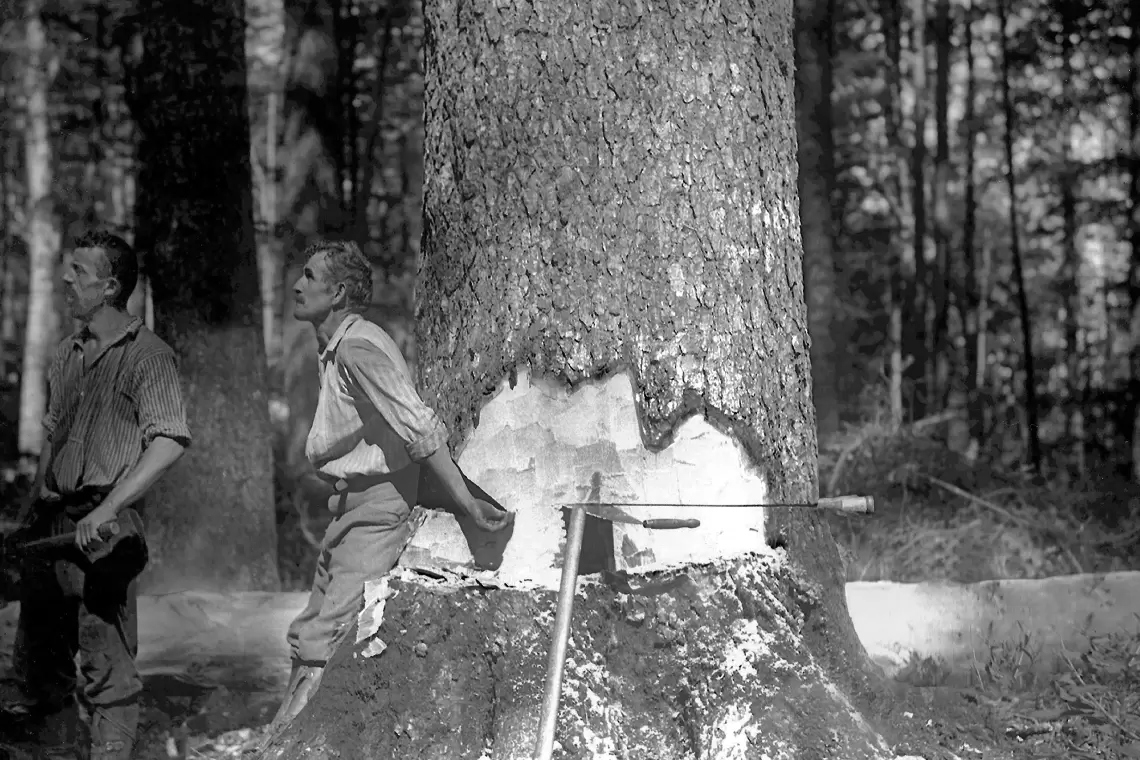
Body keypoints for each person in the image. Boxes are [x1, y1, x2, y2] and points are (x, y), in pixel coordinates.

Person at [270, 240, 514, 728]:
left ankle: (293, 742)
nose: (297, 286)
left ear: (338, 293)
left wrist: (465, 503)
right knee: (306, 634)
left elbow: (419, 428)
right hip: (351, 508)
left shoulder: (359, 349)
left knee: (329, 637)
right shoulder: (338, 349)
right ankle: (280, 735)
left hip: (377, 510)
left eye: (310, 277)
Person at [1, 230, 191, 759]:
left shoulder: (149, 356)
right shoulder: (67, 353)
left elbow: (170, 441)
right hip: (54, 522)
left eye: (79, 272)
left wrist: (108, 509)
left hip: (103, 527)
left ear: (110, 286)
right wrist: (31, 511)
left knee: (105, 661)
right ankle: (52, 750)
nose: (66, 279)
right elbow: (53, 432)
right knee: (39, 659)